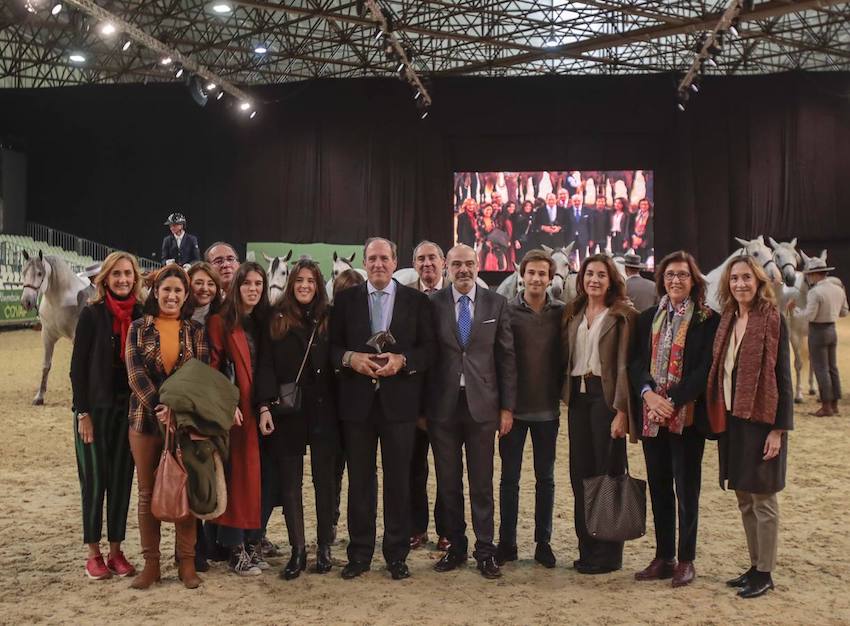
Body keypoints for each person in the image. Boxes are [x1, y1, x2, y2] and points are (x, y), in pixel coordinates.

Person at [329, 237, 435, 581]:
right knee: (360, 481)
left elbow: (429, 350)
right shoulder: (344, 301)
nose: (377, 264)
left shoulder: (416, 301)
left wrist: (403, 361)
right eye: (372, 258)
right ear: (364, 261)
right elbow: (330, 348)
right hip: (357, 406)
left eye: (384, 258)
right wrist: (350, 358)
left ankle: (396, 554)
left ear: (394, 262)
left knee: (398, 481)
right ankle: (359, 553)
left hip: (400, 405)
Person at [629, 251, 719, 588]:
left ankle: (686, 559)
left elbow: (704, 370)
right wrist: (649, 395)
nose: (675, 280)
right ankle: (663, 556)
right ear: (661, 280)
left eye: (682, 275)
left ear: (694, 280)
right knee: (659, 487)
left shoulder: (708, 319)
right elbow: (635, 362)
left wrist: (672, 400)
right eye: (669, 275)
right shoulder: (647, 317)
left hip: (687, 417)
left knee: (686, 489)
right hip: (652, 415)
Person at [705, 255, 793, 599]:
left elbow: (783, 377)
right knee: (743, 496)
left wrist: (778, 430)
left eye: (746, 278)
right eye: (735, 279)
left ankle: (766, 572)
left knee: (763, 498)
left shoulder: (772, 319)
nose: (740, 284)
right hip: (731, 418)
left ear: (758, 282)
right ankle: (755, 566)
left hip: (761, 420)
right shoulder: (727, 318)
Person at [428, 244, 517, 580]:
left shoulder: (497, 303)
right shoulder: (433, 304)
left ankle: (485, 550)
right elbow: (428, 359)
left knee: (481, 483)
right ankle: (457, 547)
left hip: (483, 408)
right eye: (456, 264)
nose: (463, 270)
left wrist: (507, 407)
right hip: (443, 408)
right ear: (446, 268)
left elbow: (506, 359)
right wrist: (425, 409)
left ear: (478, 265)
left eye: (468, 263)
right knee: (448, 483)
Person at [125, 264, 209, 589]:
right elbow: (134, 374)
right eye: (166, 290)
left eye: (178, 291)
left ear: (185, 296)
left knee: (183, 490)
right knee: (148, 494)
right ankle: (152, 564)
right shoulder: (138, 328)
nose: (171, 296)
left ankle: (186, 564)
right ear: (156, 292)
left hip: (183, 423)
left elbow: (199, 375)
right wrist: (160, 404)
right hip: (144, 421)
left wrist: (176, 408)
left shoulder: (196, 332)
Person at [256, 258, 340, 579]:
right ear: (291, 283)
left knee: (324, 483)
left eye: (311, 281)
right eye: (299, 280)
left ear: (318, 285)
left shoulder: (329, 318)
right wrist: (263, 405)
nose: (305, 285)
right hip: (287, 411)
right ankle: (298, 551)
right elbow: (264, 364)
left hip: (324, 411)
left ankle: (323, 548)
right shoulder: (275, 318)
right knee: (291, 484)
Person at [70, 251, 144, 580]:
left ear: (135, 277)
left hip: (128, 412)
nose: (123, 279)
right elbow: (77, 370)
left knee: (120, 481)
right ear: (105, 279)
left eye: (128, 273)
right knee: (95, 481)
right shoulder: (92, 315)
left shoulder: (143, 315)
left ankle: (116, 551)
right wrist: (82, 412)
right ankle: (93, 553)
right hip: (94, 412)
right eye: (116, 274)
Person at [561, 253, 636, 575]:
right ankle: (587, 546)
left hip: (606, 401)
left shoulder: (622, 315)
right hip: (578, 400)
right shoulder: (573, 313)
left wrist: (622, 411)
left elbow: (625, 367)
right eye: (589, 274)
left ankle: (609, 553)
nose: (593, 279)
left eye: (600, 275)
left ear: (611, 280)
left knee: (608, 476)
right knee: (581, 475)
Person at [497, 249, 564, 569]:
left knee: (545, 479)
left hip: (548, 411)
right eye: (531, 273)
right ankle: (507, 543)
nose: (537, 279)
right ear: (520, 275)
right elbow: (501, 362)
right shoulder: (506, 312)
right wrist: (504, 408)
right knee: (509, 479)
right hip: (513, 411)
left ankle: (543, 542)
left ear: (551, 278)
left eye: (542, 274)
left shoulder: (562, 313)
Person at [207, 262, 270, 576]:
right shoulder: (220, 321)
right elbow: (214, 367)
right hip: (234, 412)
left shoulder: (259, 321)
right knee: (235, 480)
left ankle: (250, 542)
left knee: (253, 480)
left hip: (257, 409)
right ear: (237, 287)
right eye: (248, 283)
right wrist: (225, 404)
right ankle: (235, 550)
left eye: (259, 283)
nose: (254, 289)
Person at [405, 241, 449, 552]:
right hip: (412, 401)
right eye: (421, 259)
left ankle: (447, 530)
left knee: (448, 469)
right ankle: (415, 528)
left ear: (443, 262)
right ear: (414, 264)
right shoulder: (404, 295)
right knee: (413, 469)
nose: (427, 264)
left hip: (450, 401)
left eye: (432, 258)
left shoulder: (457, 296)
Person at [792, 257, 848, 416]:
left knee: (821, 369)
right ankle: (835, 403)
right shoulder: (838, 289)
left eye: (809, 275)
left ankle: (826, 405)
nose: (808, 278)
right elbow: (844, 312)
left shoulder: (815, 292)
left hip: (818, 331)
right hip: (832, 329)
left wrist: (795, 310)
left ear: (816, 274)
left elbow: (809, 316)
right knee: (833, 367)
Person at [568, 194, 591, 265]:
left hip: (583, 238)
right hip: (571, 238)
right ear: (572, 201)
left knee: (583, 258)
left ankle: (582, 272)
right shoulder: (568, 211)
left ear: (581, 201)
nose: (577, 202)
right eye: (575, 201)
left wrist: (591, 239)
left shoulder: (587, 211)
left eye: (578, 201)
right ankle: (572, 272)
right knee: (571, 258)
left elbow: (591, 226)